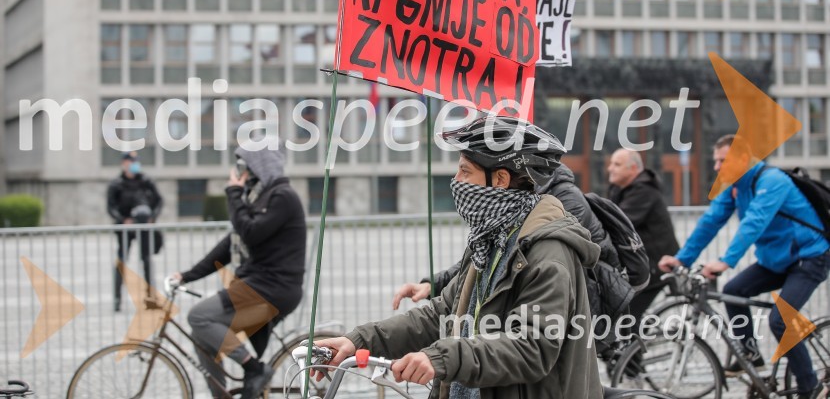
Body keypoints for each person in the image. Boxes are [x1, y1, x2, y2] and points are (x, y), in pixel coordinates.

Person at [316, 116, 603, 398]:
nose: (456, 181)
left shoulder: (548, 252)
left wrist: (442, 358)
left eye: (465, 172)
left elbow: (532, 348)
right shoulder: (490, 238)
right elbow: (441, 314)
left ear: (500, 179)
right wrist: (358, 340)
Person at [659, 134, 830, 399]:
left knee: (781, 320)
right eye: (716, 161)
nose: (716, 166)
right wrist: (682, 259)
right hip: (777, 261)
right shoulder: (735, 186)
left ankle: (811, 387)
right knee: (733, 291)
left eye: (722, 160)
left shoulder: (773, 181)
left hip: (809, 258)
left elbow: (754, 222)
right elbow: (710, 221)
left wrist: (726, 261)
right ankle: (751, 354)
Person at [171, 145, 306, 399]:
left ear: (260, 166)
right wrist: (186, 275)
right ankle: (221, 395)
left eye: (246, 167)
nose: (241, 173)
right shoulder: (259, 198)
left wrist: (233, 193)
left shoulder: (282, 197)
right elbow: (227, 246)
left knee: (199, 316)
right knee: (202, 335)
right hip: (258, 285)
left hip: (273, 288)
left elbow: (250, 232)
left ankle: (254, 369)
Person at [392, 162, 618, 310]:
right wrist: (433, 283)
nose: (457, 180)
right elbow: (483, 259)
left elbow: (517, 257)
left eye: (465, 171)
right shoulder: (512, 210)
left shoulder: (559, 202)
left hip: (587, 301)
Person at [607, 148, 679, 324]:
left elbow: (618, 223)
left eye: (617, 164)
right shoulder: (619, 188)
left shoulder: (644, 191)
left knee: (628, 316)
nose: (610, 168)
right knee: (622, 311)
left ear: (633, 168)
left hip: (656, 265)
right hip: (640, 263)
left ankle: (635, 342)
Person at [107, 151, 163, 312]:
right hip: (125, 229)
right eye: (131, 161)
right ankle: (117, 300)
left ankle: (151, 298)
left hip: (144, 226)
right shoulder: (117, 184)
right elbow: (111, 207)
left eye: (135, 161)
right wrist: (123, 220)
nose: (134, 164)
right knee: (122, 262)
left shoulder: (146, 181)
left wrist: (152, 217)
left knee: (146, 260)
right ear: (124, 163)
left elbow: (158, 201)